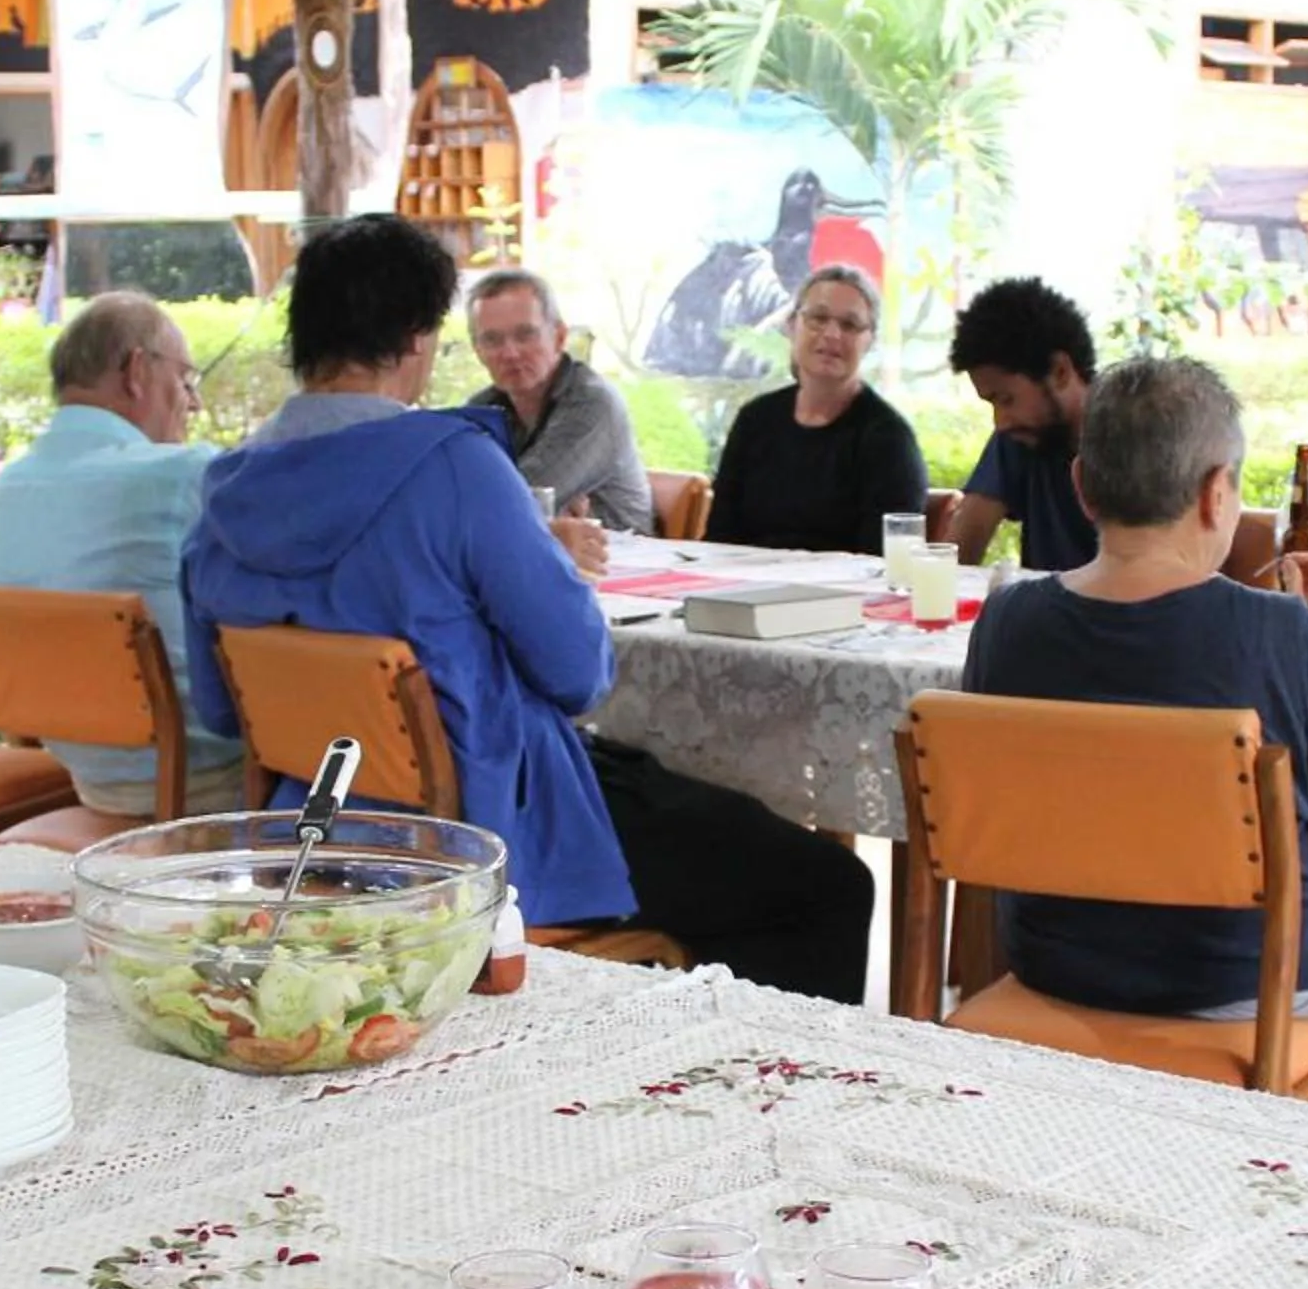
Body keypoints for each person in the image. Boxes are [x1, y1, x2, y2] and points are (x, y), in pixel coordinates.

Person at [182, 214, 875, 1002]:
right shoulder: (453, 466)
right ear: (415, 338)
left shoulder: (222, 496)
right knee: (825, 883)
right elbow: (580, 674)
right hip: (490, 838)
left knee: (695, 814)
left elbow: (218, 707)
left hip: (311, 830)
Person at [961, 356, 1308, 1025]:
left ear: (1082, 486)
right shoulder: (1280, 633)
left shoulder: (1006, 622)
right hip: (1253, 981)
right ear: (1218, 494)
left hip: (1059, 963)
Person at [0, 292, 245, 815]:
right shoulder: (181, 474)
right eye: (186, 380)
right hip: (207, 782)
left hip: (86, 778)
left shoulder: (1, 491)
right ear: (137, 370)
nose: (195, 403)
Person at [703, 265, 928, 554]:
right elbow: (719, 538)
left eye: (849, 325)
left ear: (869, 340)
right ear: (791, 325)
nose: (832, 334)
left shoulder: (888, 440)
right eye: (818, 318)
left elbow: (883, 563)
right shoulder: (755, 420)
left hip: (842, 596)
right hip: (745, 590)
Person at [459, 267, 654, 534]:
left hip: (620, 564)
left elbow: (516, 500)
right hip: (525, 556)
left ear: (559, 337)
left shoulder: (593, 403)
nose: (510, 353)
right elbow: (452, 496)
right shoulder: (481, 408)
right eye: (492, 340)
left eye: (525, 335)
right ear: (477, 351)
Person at [946, 277, 1098, 572]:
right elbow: (955, 559)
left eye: (1006, 399)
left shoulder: (1136, 438)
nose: (1000, 422)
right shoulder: (1019, 439)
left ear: (1060, 372)